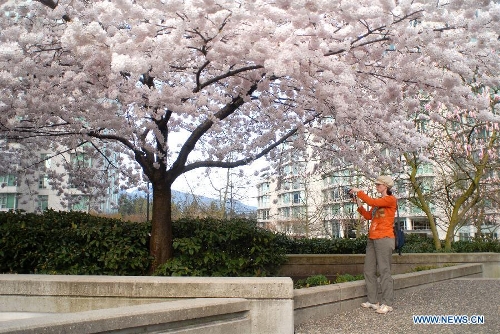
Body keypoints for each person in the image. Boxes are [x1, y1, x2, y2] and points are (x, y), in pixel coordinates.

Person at [349, 175, 397, 314]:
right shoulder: (378, 202)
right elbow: (369, 215)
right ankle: (373, 301)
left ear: (386, 186)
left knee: (384, 271)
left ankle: (387, 303)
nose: (376, 186)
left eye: (378, 184)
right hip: (373, 238)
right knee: (368, 270)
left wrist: (359, 191)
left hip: (384, 238)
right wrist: (357, 201)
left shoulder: (390, 199)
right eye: (376, 184)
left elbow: (371, 202)